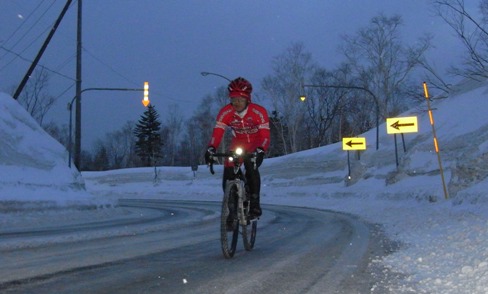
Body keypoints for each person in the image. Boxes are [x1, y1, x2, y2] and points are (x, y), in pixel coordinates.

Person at [205, 77, 270, 218]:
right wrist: (211, 148)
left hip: (255, 143)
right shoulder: (226, 112)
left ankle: (254, 203)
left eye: (240, 99)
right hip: (238, 142)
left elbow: (265, 135)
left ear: (248, 99)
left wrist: (261, 150)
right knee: (228, 168)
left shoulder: (259, 112)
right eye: (233, 99)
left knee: (251, 165)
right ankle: (231, 209)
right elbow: (218, 132)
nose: (236, 103)